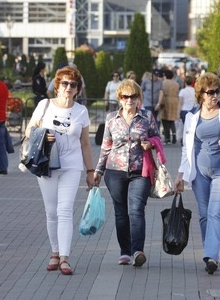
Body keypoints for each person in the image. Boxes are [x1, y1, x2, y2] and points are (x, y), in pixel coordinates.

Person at [175, 72, 220, 275]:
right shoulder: (191, 117)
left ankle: (211, 255)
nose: (215, 95)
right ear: (201, 95)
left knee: (216, 212)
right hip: (199, 173)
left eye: (218, 91)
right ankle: (209, 252)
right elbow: (186, 147)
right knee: (204, 214)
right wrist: (181, 173)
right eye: (211, 92)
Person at [27, 66, 95, 275]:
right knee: (51, 211)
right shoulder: (44, 105)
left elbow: (85, 144)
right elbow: (29, 131)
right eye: (64, 83)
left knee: (65, 210)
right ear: (57, 85)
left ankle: (64, 257)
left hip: (71, 166)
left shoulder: (81, 111)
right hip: (48, 164)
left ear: (77, 89)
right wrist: (43, 134)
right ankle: (54, 252)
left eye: (72, 84)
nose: (68, 87)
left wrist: (90, 170)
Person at [94, 79, 161, 268]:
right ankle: (125, 251)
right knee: (121, 213)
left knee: (136, 210)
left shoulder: (147, 117)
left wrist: (151, 143)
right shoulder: (111, 119)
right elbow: (106, 147)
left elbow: (157, 137)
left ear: (139, 98)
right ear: (119, 99)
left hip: (141, 171)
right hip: (115, 171)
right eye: (125, 96)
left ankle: (137, 250)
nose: (129, 100)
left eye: (133, 96)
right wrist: (98, 171)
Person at [157, 69, 180, 144]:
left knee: (165, 120)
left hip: (166, 101)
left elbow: (161, 92)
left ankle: (167, 138)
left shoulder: (163, 83)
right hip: (174, 101)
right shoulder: (176, 84)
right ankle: (174, 135)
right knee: (172, 120)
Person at [178, 74, 197, 144]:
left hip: (184, 110)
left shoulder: (182, 91)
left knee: (185, 126)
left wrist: (178, 112)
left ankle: (185, 139)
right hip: (193, 110)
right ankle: (191, 139)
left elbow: (180, 102)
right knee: (192, 126)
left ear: (185, 82)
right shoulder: (195, 90)